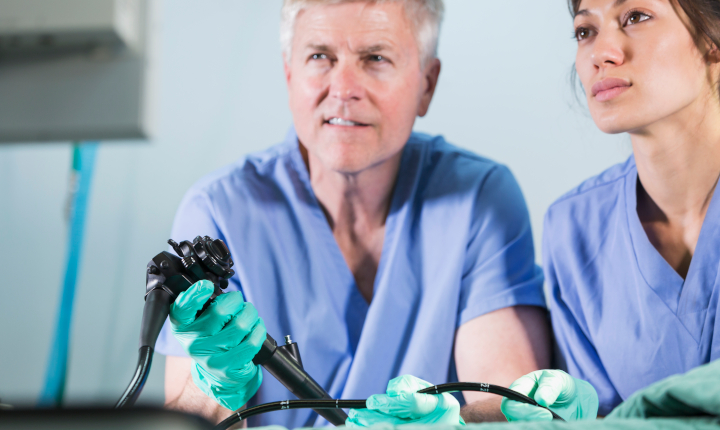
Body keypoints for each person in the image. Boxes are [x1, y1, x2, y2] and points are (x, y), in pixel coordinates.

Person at [157, 0, 551, 427]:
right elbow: (186, 419)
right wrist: (212, 384)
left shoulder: (478, 199)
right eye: (319, 57)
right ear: (290, 76)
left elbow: (506, 401)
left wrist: (451, 426)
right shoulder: (218, 211)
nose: (344, 88)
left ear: (427, 85)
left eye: (375, 58)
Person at [499, 0, 720, 422]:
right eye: (585, 31)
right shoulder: (574, 229)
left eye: (636, 17)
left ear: (711, 40)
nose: (602, 52)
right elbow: (593, 418)